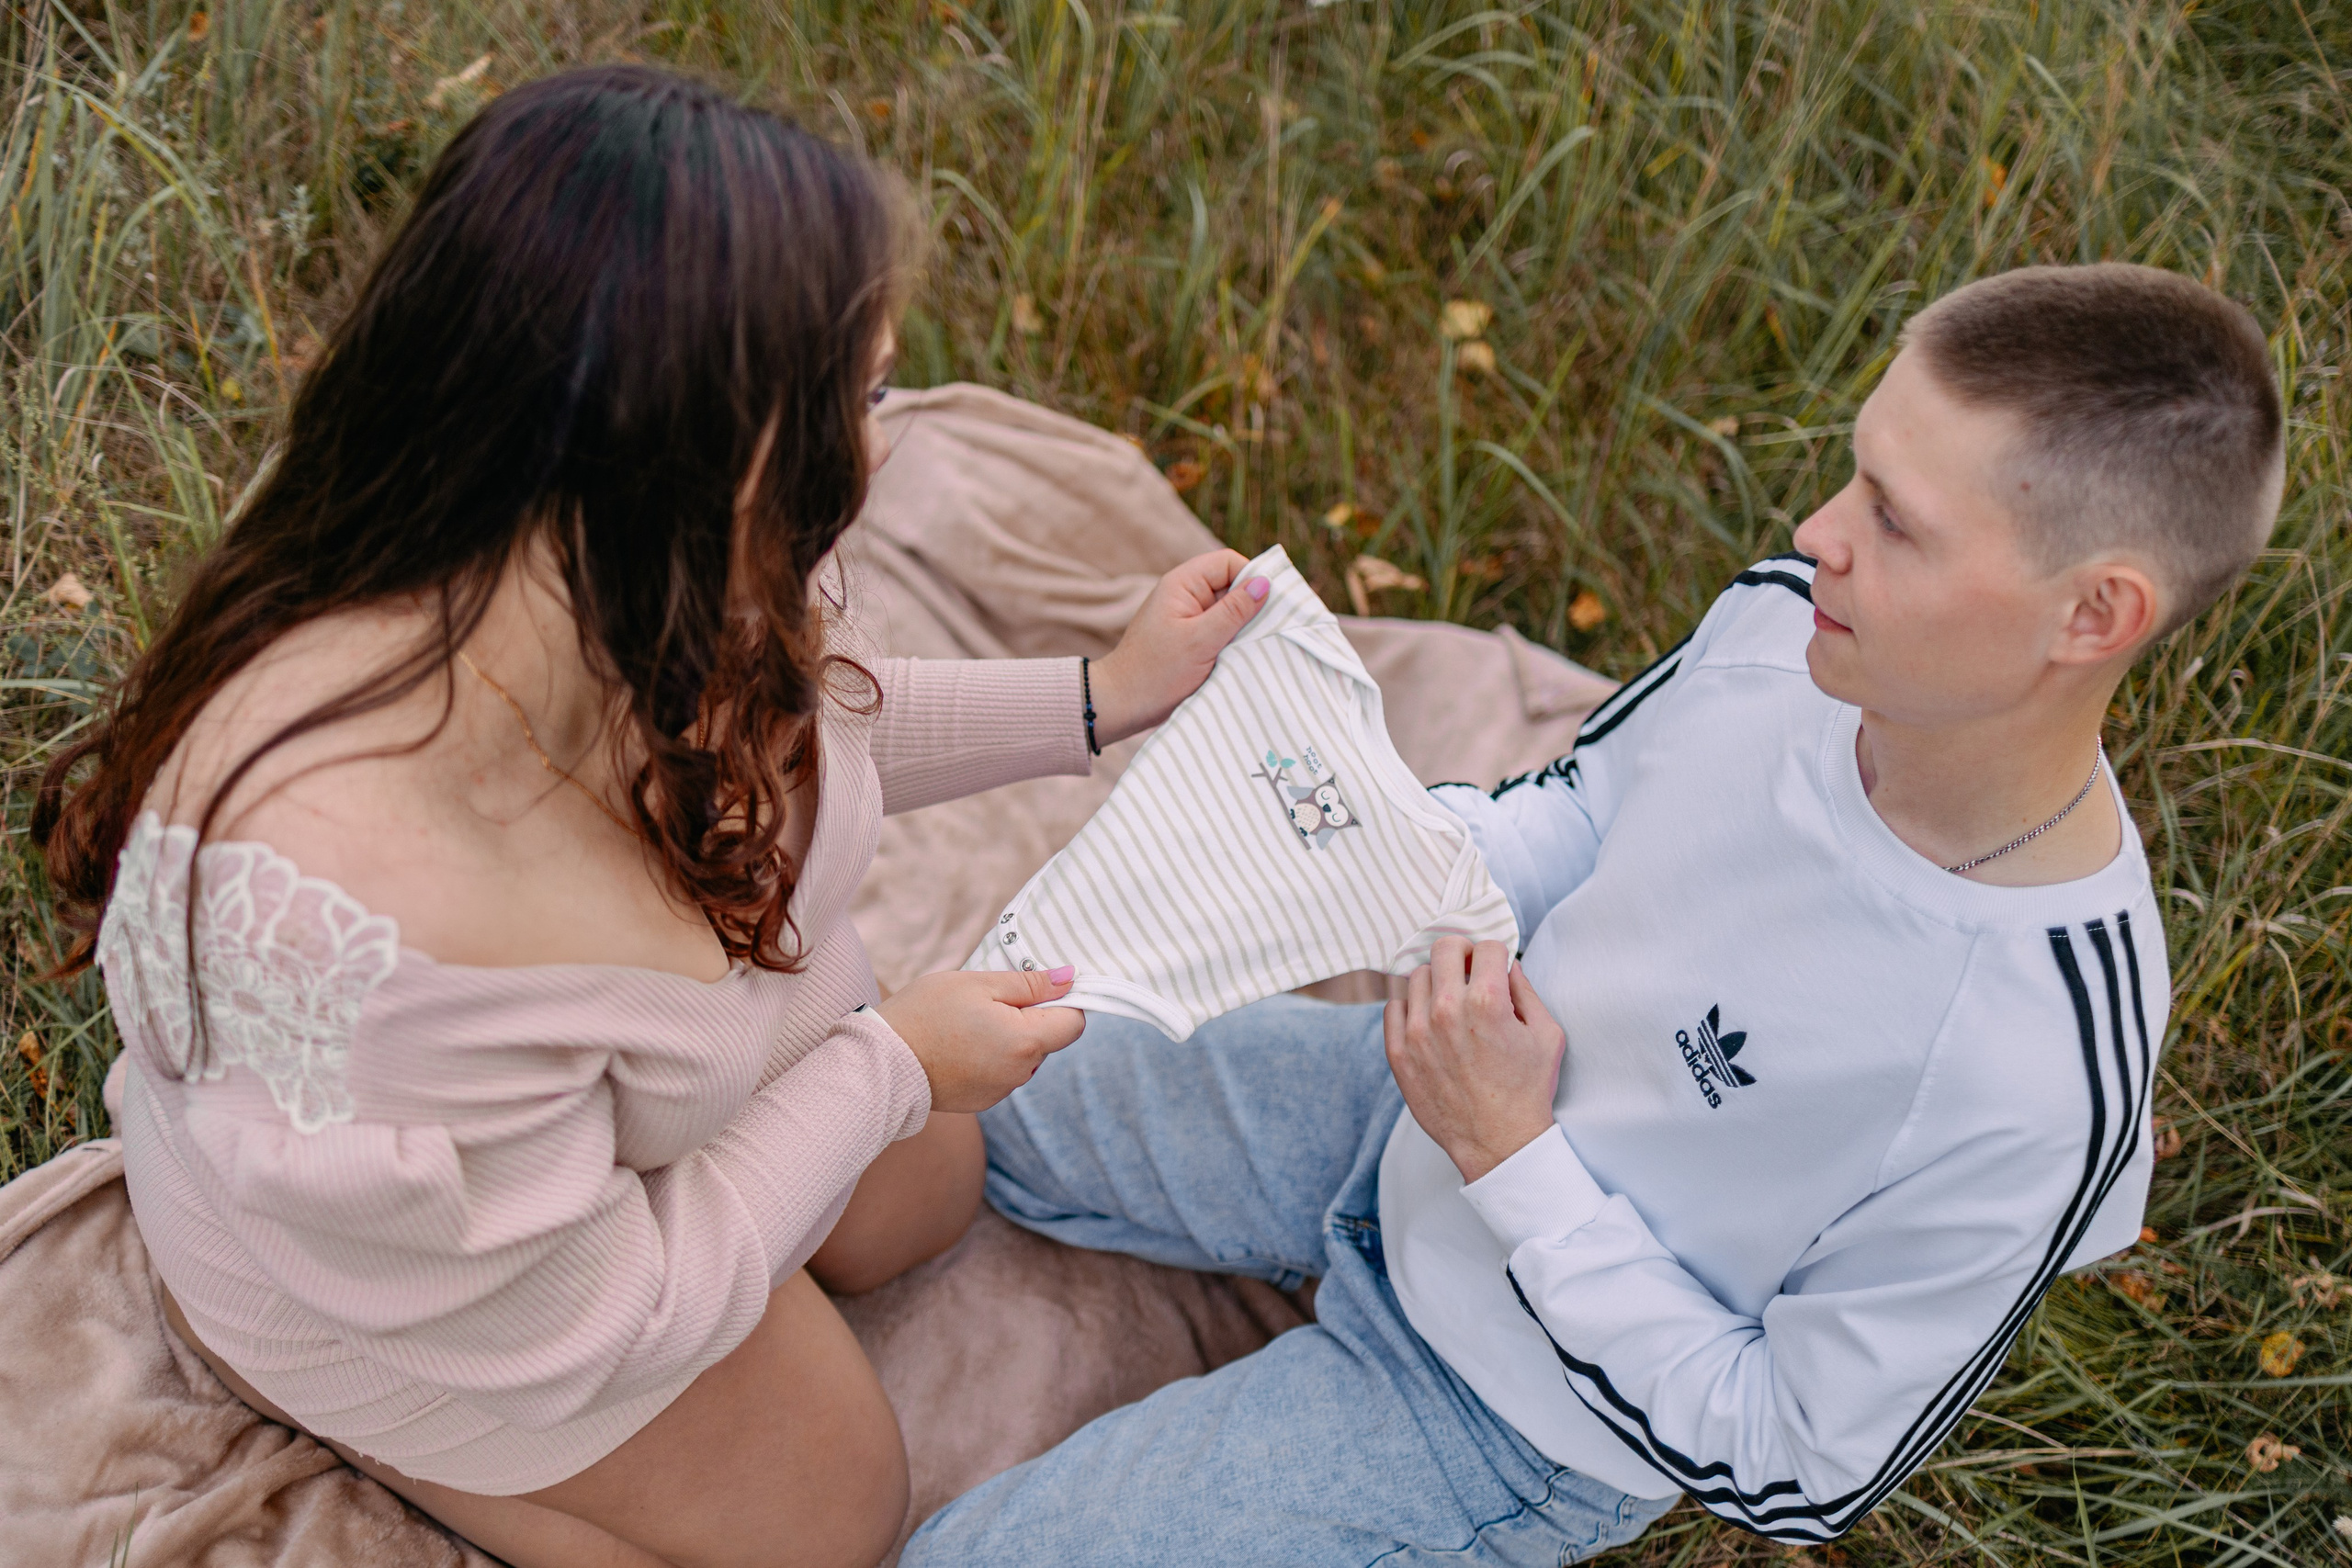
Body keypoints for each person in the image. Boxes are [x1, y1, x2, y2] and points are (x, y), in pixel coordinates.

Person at [34, 65, 1267, 1568]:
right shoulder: (384, 909)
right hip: (443, 1298)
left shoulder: (625, 559)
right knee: (829, 1508)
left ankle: (692, 1150)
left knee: (930, 1197)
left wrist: (1098, 696)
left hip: (600, 1114)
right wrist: (885, 1066)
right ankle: (347, 1408)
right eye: (869, 396)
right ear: (718, 458)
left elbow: (819, 723)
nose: (891, 442)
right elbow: (598, 1314)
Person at [902, 263, 2285, 1563]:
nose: (1818, 536)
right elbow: (1581, 804)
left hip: (1503, 1418)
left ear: (2095, 615)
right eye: (1854, 477)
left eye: (1895, 518)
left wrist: (1514, 1159)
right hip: (1396, 1113)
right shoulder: (1784, 626)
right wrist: (1381, 844)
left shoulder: (2032, 1069)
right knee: (946, 1066)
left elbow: (1797, 1459)